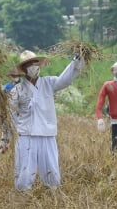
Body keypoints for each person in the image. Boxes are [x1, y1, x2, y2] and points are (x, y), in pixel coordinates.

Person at [8, 50, 85, 191]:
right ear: (23, 69)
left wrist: (76, 60)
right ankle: (22, 203)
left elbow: (65, 79)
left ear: (39, 66)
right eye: (28, 64)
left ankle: (52, 202)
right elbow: (10, 115)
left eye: (34, 63)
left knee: (52, 174)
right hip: (26, 136)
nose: (32, 66)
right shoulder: (17, 90)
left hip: (47, 135)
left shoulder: (49, 83)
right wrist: (6, 138)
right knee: (24, 175)